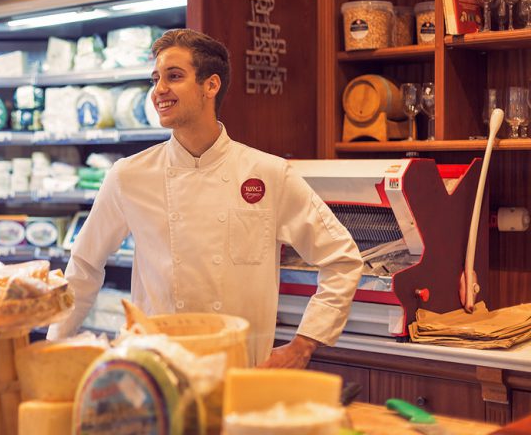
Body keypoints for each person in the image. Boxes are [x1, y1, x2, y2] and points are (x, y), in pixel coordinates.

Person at [48, 28, 363, 367]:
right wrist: (54, 349)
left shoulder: (269, 174)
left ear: (210, 85)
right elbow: (83, 266)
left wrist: (303, 345)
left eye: (174, 76)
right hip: (156, 374)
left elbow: (341, 259)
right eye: (155, 79)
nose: (159, 91)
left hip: (241, 374)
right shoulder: (129, 176)